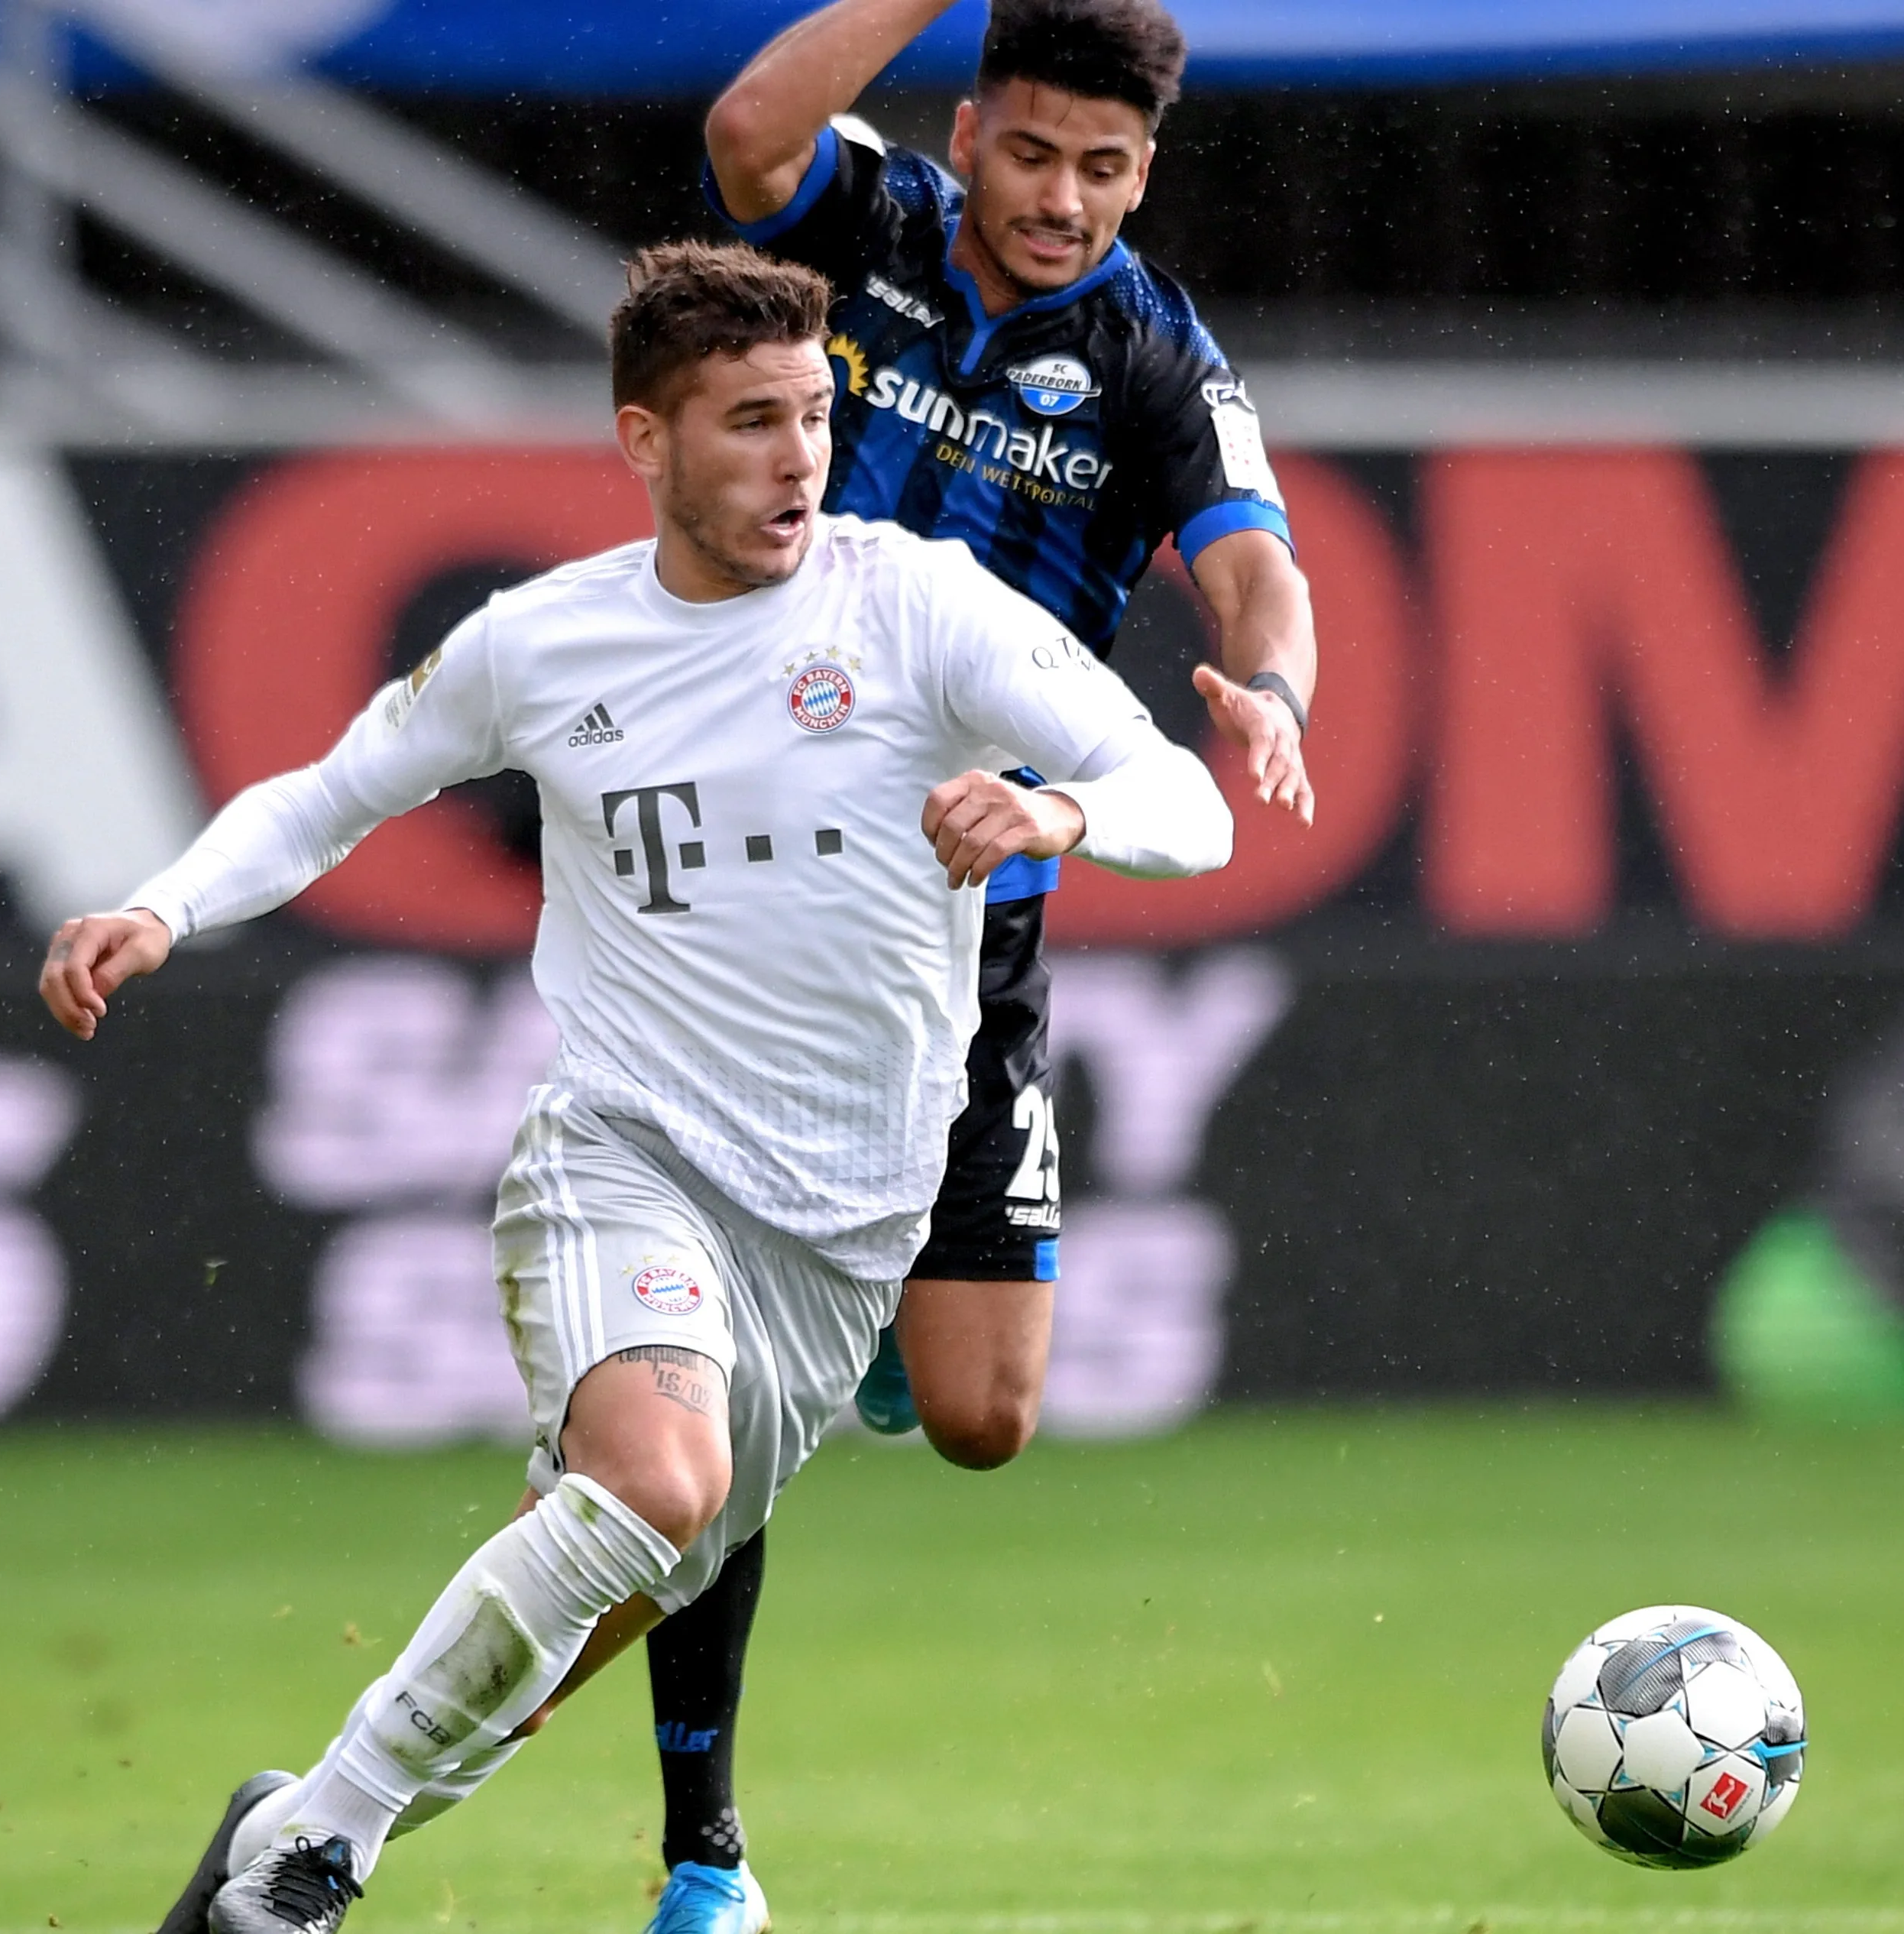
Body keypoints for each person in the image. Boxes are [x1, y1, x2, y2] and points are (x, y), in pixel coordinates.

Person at [47, 239, 1232, 1934]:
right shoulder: (544, 642)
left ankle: (291, 1821)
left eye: (817, 414)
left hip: (845, 1238)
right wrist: (158, 907)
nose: (798, 457)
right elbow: (328, 793)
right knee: (654, 1490)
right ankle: (311, 1871)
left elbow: (1187, 800)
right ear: (644, 441)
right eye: (750, 421)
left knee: (585, 1596)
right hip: (626, 1159)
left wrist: (1065, 814)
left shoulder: (921, 607)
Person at [631, 5, 1324, 1922]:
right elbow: (753, 121)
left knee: (982, 1414)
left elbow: (1260, 566)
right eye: (1034, 155)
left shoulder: (1157, 354)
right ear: (971, 128)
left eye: (1106, 170)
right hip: (757, 906)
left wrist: (1263, 691)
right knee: (729, 1387)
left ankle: (850, 1317)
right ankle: (705, 1852)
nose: (1062, 200)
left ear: (1147, 174)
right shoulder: (865, 223)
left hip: (970, 920)